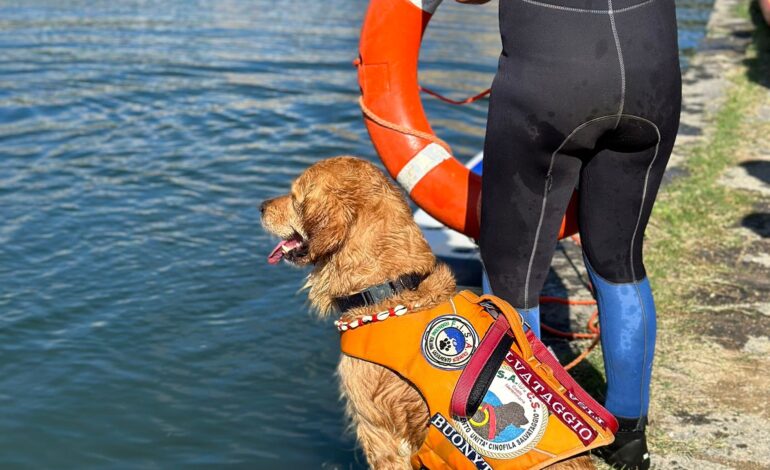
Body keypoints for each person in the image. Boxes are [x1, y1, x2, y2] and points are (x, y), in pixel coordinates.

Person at [460, 0, 682, 468]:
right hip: (651, 78)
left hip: (549, 84)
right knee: (621, 262)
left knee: (512, 277)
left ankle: (524, 441)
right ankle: (628, 438)